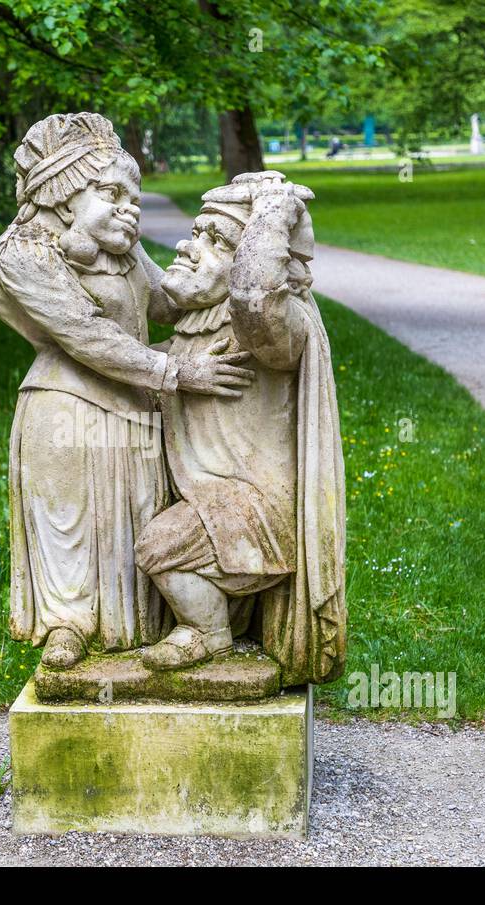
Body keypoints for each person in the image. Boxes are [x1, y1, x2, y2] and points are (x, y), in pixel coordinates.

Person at [0, 113, 254, 669]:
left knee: (133, 520)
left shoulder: (122, 249)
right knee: (71, 522)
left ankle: (141, 627)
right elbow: (86, 335)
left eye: (134, 197)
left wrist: (233, 262)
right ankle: (68, 624)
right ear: (64, 195)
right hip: (64, 410)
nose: (129, 208)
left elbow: (167, 301)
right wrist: (178, 373)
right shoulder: (23, 254)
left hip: (134, 408)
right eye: (112, 193)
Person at [134, 171, 347, 685]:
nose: (188, 244)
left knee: (158, 546)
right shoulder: (198, 325)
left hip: (258, 511)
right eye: (196, 231)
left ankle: (208, 632)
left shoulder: (272, 326)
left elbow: (255, 297)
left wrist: (273, 211)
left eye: (216, 240)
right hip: (214, 501)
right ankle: (213, 618)